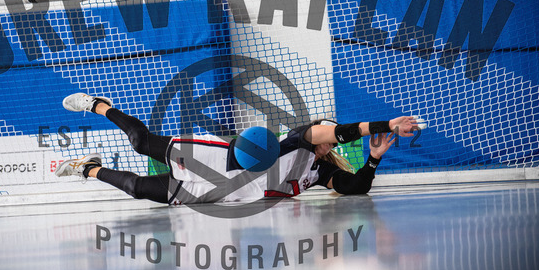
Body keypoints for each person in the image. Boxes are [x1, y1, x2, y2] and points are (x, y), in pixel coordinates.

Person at [55, 93, 422, 205]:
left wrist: (373, 160)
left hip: (218, 193)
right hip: (217, 160)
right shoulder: (302, 137)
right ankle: (98, 105)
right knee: (140, 143)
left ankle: (87, 168)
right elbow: (342, 132)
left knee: (137, 188)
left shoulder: (321, 172)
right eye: (326, 134)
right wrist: (387, 124)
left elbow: (356, 187)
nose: (328, 140)